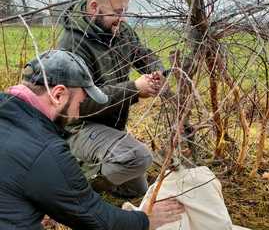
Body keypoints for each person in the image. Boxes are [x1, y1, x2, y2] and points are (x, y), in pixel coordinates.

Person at [0, 50, 183, 229]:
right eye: (80, 104)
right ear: (58, 95)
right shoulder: (44, 150)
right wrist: (145, 221)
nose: (78, 113)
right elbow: (93, 217)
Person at [58, 0, 166, 197]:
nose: (122, 19)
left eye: (125, 11)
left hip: (112, 128)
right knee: (138, 157)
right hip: (79, 127)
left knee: (135, 190)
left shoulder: (120, 31)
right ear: (94, 6)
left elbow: (142, 54)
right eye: (117, 13)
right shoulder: (72, 44)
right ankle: (72, 192)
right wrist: (134, 89)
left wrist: (156, 70)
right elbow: (77, 106)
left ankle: (85, 170)